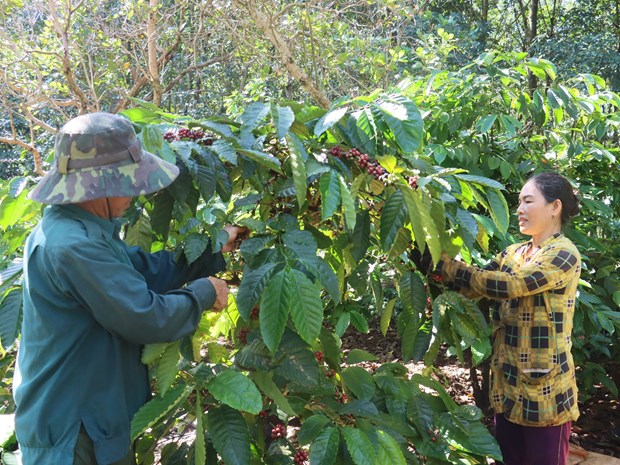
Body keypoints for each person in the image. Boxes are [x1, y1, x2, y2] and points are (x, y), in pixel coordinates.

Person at [14, 112, 244, 465]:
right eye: (128, 183)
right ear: (100, 185)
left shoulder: (82, 227)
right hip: (73, 429)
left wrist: (212, 248)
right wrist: (204, 292)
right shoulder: (74, 245)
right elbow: (145, 316)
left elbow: (141, 271)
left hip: (92, 414)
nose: (135, 193)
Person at [422, 172, 581, 465]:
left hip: (545, 391)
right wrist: (433, 266)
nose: (519, 209)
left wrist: (447, 264)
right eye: (519, 201)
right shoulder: (514, 253)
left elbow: (510, 286)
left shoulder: (563, 253)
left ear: (554, 207)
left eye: (528, 201)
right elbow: (476, 284)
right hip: (507, 384)